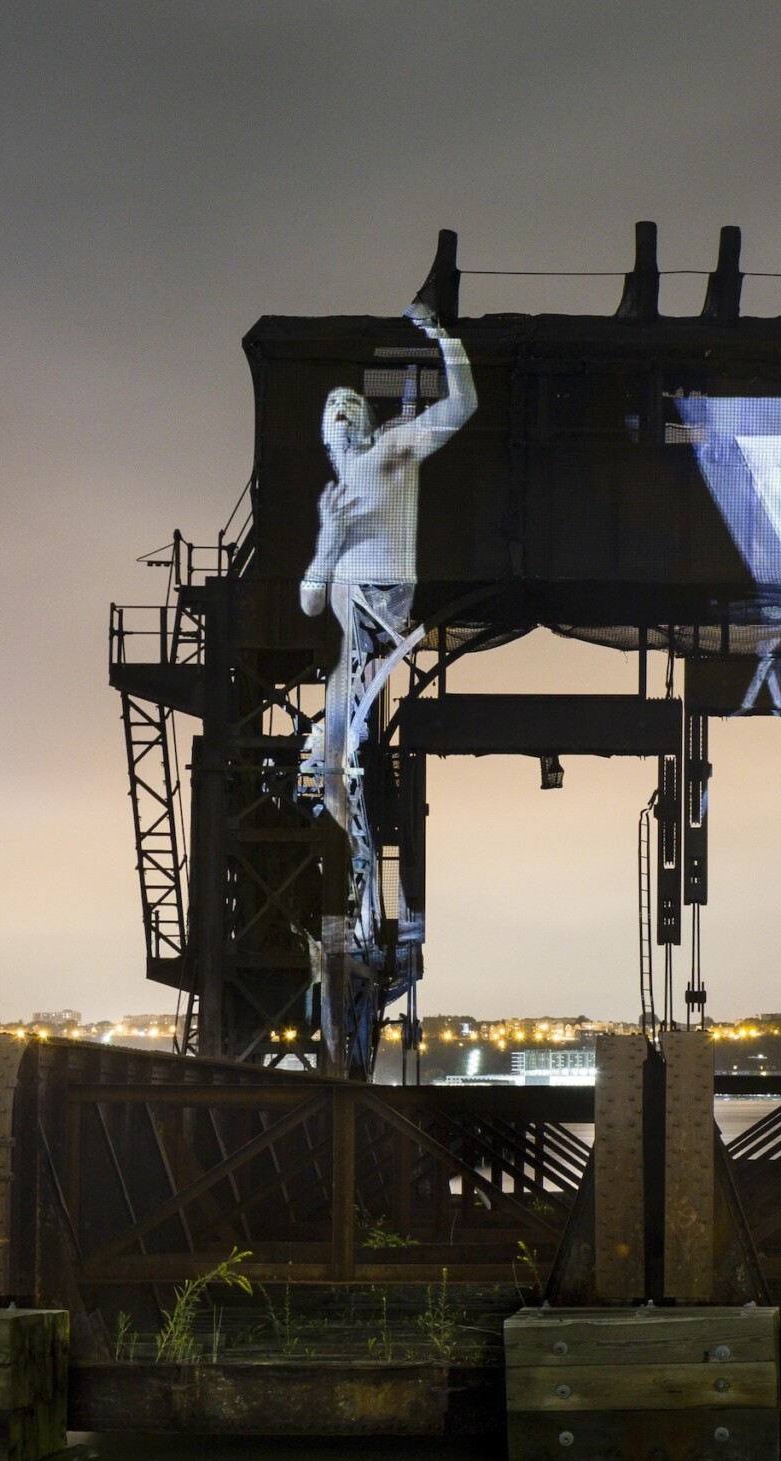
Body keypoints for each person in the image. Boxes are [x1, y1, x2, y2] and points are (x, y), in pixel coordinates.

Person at [296, 302, 475, 1059]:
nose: (342, 415)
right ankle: (359, 898)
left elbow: (462, 405)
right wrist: (331, 536)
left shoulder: (396, 449)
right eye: (332, 411)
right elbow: (308, 596)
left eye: (349, 406)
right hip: (351, 646)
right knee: (323, 763)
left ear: (365, 424)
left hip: (381, 620)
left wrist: (446, 340)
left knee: (352, 756)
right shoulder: (331, 501)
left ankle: (369, 895)